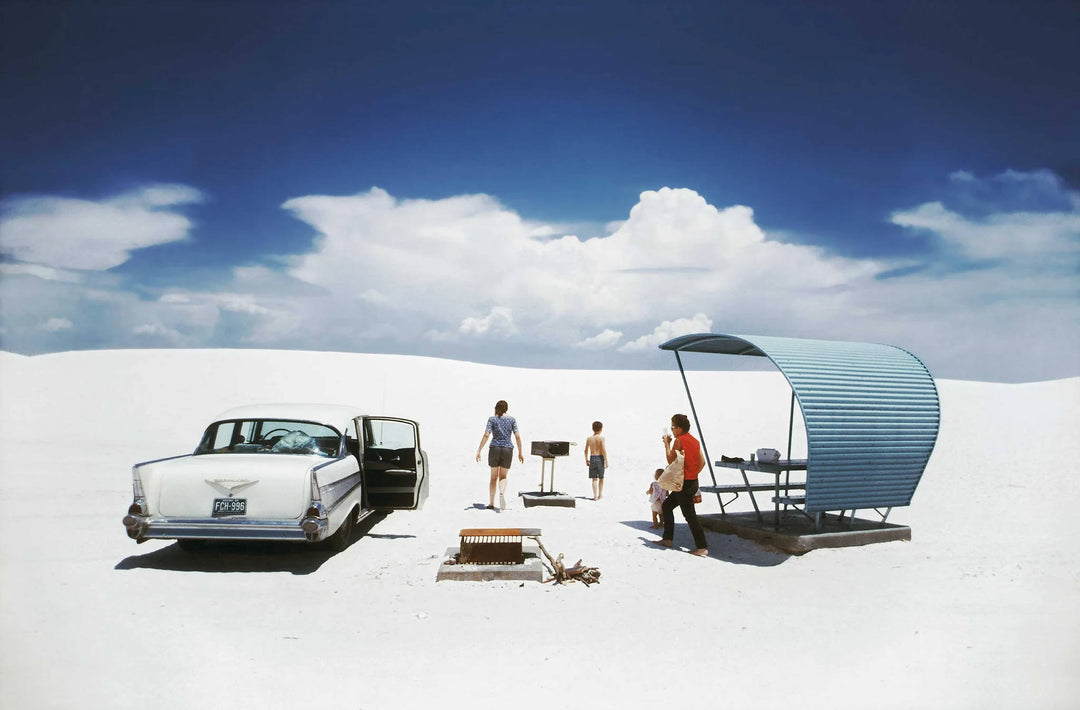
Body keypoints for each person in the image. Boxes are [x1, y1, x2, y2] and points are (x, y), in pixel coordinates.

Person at [655, 413, 708, 556]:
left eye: (672, 428)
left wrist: (667, 443)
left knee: (690, 516)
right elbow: (702, 462)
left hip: (684, 484)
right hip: (691, 482)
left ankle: (702, 547)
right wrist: (692, 474)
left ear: (678, 429)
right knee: (667, 505)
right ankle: (667, 539)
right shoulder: (695, 441)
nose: (672, 431)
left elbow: (670, 460)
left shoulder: (679, 441)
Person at [475, 400, 524, 511]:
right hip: (507, 449)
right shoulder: (512, 420)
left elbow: (486, 435)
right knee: (503, 476)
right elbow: (517, 437)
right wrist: (520, 452)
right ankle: (501, 492)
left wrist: (479, 450)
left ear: (496, 408)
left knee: (493, 478)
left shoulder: (492, 419)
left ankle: (491, 503)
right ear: (506, 409)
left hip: (494, 448)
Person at [584, 420, 608, 500]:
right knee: (601, 478)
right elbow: (603, 449)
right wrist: (606, 460)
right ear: (601, 429)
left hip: (592, 458)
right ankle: (600, 494)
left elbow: (585, 450)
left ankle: (595, 496)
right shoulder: (601, 438)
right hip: (600, 458)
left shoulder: (589, 438)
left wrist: (586, 459)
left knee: (594, 479)